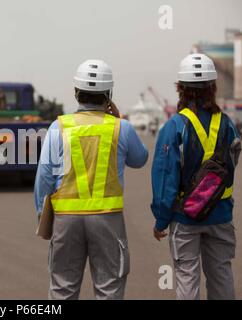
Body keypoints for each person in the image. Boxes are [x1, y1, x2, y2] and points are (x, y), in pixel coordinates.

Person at [34, 59, 148, 300]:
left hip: (66, 220)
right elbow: (140, 159)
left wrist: (41, 214)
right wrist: (118, 119)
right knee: (109, 288)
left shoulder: (58, 127)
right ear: (109, 94)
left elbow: (44, 175)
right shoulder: (121, 128)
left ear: (76, 93)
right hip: (107, 219)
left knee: (63, 288)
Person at [151, 53, 241, 300]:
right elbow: (231, 166)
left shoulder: (174, 127)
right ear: (213, 87)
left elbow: (165, 180)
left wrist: (161, 220)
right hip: (220, 215)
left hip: (185, 218)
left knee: (187, 280)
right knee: (221, 276)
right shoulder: (228, 124)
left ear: (180, 88)